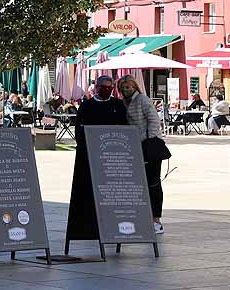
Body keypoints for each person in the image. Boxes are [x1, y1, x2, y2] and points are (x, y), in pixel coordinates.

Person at [66, 75, 128, 248]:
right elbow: (79, 132)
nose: (106, 90)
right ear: (96, 88)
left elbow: (125, 129)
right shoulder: (86, 106)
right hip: (89, 160)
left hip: (113, 161)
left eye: (110, 88)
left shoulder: (117, 105)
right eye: (103, 87)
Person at [118, 75, 167, 234]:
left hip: (149, 146)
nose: (126, 90)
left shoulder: (142, 100)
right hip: (136, 146)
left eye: (129, 87)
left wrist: (146, 139)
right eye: (123, 88)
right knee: (140, 183)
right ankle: (144, 217)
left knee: (153, 183)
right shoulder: (125, 103)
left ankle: (156, 220)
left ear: (135, 87)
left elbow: (154, 121)